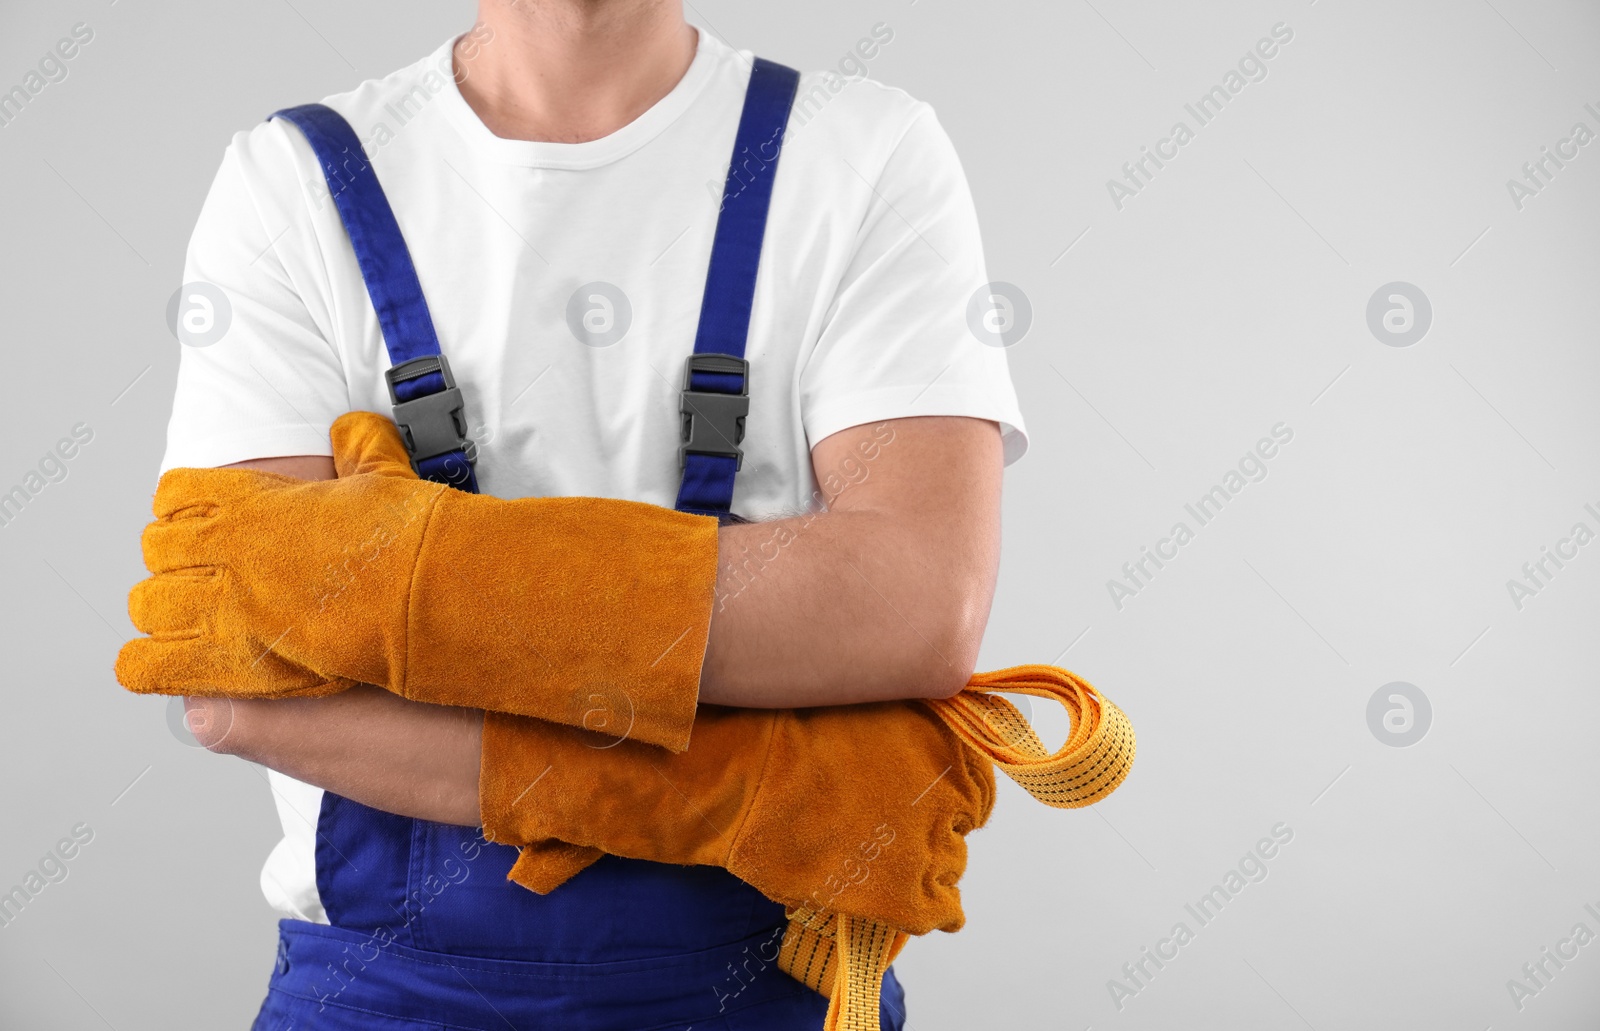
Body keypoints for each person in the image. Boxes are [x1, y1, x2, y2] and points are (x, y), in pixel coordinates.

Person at [150, 0, 1027, 1025]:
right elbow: (234, 681)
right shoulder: (292, 180)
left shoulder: (861, 152)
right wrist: (718, 786)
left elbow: (915, 604)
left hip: (758, 988)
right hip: (385, 997)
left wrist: (402, 581)